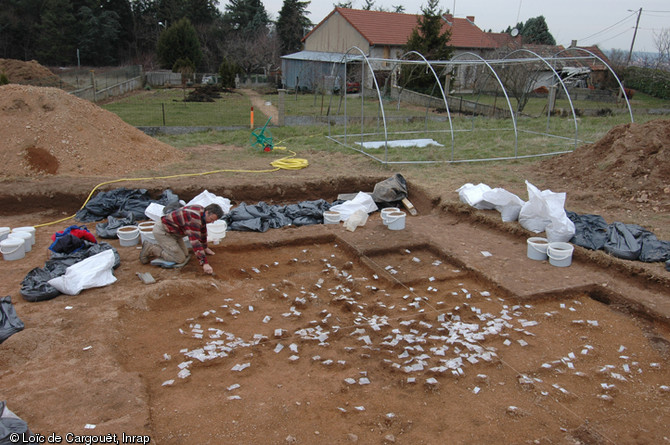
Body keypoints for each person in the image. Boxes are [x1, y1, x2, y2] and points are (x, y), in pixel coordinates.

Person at [140, 203, 224, 275]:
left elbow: (202, 230)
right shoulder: (194, 218)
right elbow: (195, 241)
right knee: (180, 259)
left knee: (186, 254)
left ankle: (168, 247)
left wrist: (205, 247)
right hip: (163, 232)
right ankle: (151, 248)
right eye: (211, 219)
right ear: (207, 212)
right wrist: (204, 263)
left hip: (174, 233)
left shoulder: (201, 212)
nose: (212, 222)